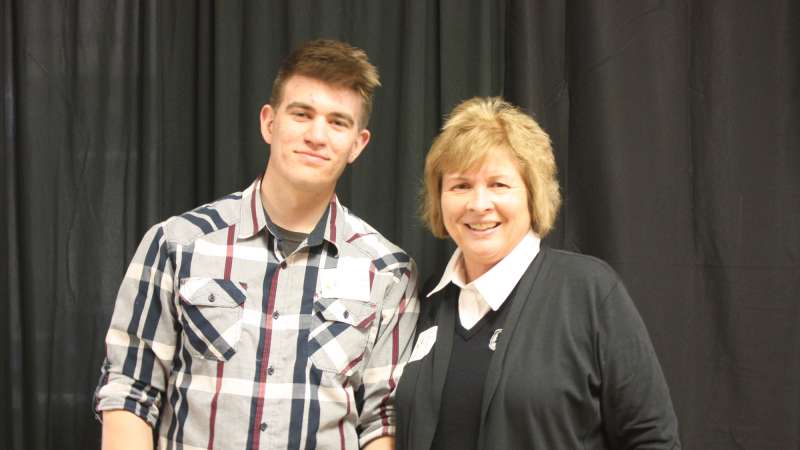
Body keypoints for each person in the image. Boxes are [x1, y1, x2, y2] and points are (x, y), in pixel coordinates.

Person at [94, 39, 418, 450]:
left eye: (338, 122)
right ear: (269, 122)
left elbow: (380, 418)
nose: (317, 135)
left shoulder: (388, 271)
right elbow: (130, 390)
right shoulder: (176, 244)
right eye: (302, 114)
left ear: (358, 143)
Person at [395, 97, 680, 449]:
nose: (478, 204)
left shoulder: (588, 292)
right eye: (460, 185)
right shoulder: (424, 303)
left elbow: (651, 438)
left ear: (533, 195)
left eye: (499, 184)